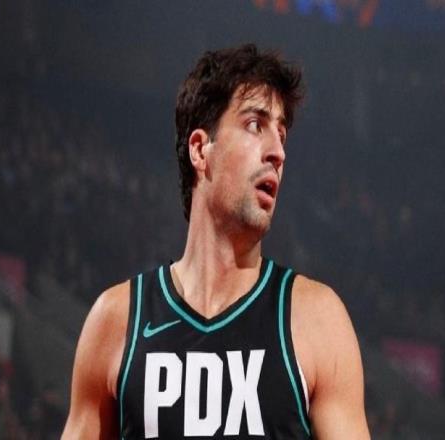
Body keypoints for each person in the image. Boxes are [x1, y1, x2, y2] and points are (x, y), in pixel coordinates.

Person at [62, 44, 369, 439]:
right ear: (200, 149)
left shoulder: (317, 320)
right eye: (255, 125)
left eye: (281, 134)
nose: (278, 152)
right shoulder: (116, 320)